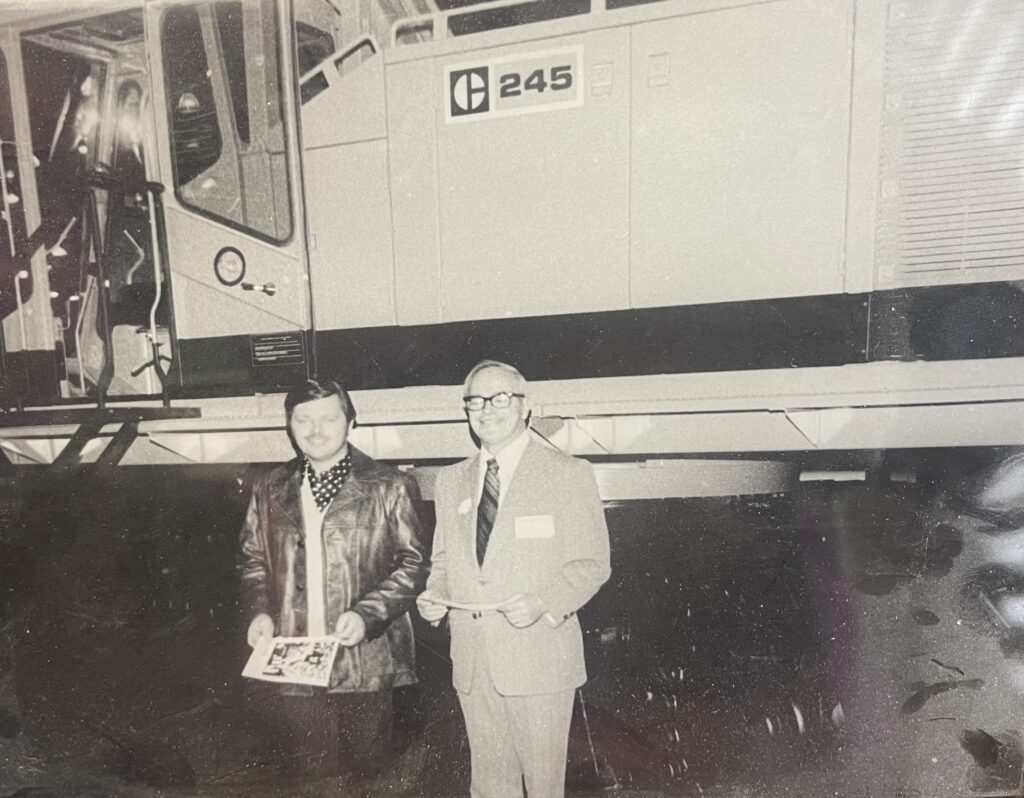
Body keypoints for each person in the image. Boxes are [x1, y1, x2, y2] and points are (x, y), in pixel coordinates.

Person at [417, 360, 611, 798]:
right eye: (475, 401)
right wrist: (435, 595)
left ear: (525, 407)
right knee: (489, 787)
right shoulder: (450, 481)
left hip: (540, 660)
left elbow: (592, 563)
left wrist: (542, 602)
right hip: (473, 661)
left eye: (500, 397)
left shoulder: (567, 473)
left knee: (543, 787)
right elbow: (443, 562)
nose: (486, 409)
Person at [239, 378, 428, 780]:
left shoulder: (390, 485)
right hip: (295, 660)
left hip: (366, 660)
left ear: (350, 422)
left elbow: (413, 564)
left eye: (328, 418)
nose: (315, 430)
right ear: (290, 426)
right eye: (302, 419)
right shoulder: (269, 487)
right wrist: (259, 611)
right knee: (313, 775)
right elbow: (253, 559)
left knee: (370, 775)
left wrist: (367, 614)